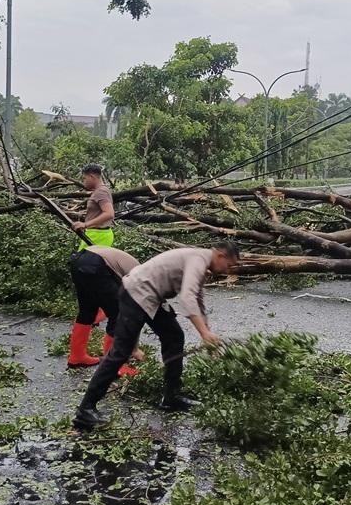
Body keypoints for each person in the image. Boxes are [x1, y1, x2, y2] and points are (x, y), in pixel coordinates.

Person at [74, 242, 239, 430]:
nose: (228, 270)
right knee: (121, 351)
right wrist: (204, 332)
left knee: (174, 336)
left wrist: (207, 334)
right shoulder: (199, 259)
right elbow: (187, 298)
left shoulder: (201, 264)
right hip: (136, 292)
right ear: (220, 256)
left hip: (152, 296)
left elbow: (198, 301)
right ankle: (85, 409)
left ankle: (171, 397)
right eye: (229, 265)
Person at [66, 245, 146, 374]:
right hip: (97, 264)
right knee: (119, 315)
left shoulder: (141, 272)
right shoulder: (144, 280)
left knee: (87, 310)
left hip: (80, 259)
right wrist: (134, 348)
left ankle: (77, 356)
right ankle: (113, 367)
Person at [72, 164, 115, 250]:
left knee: (84, 262)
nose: (84, 182)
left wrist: (85, 224)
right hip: (96, 234)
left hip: (98, 235)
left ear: (91, 176)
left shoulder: (101, 192)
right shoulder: (101, 190)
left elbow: (109, 214)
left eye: (84, 178)